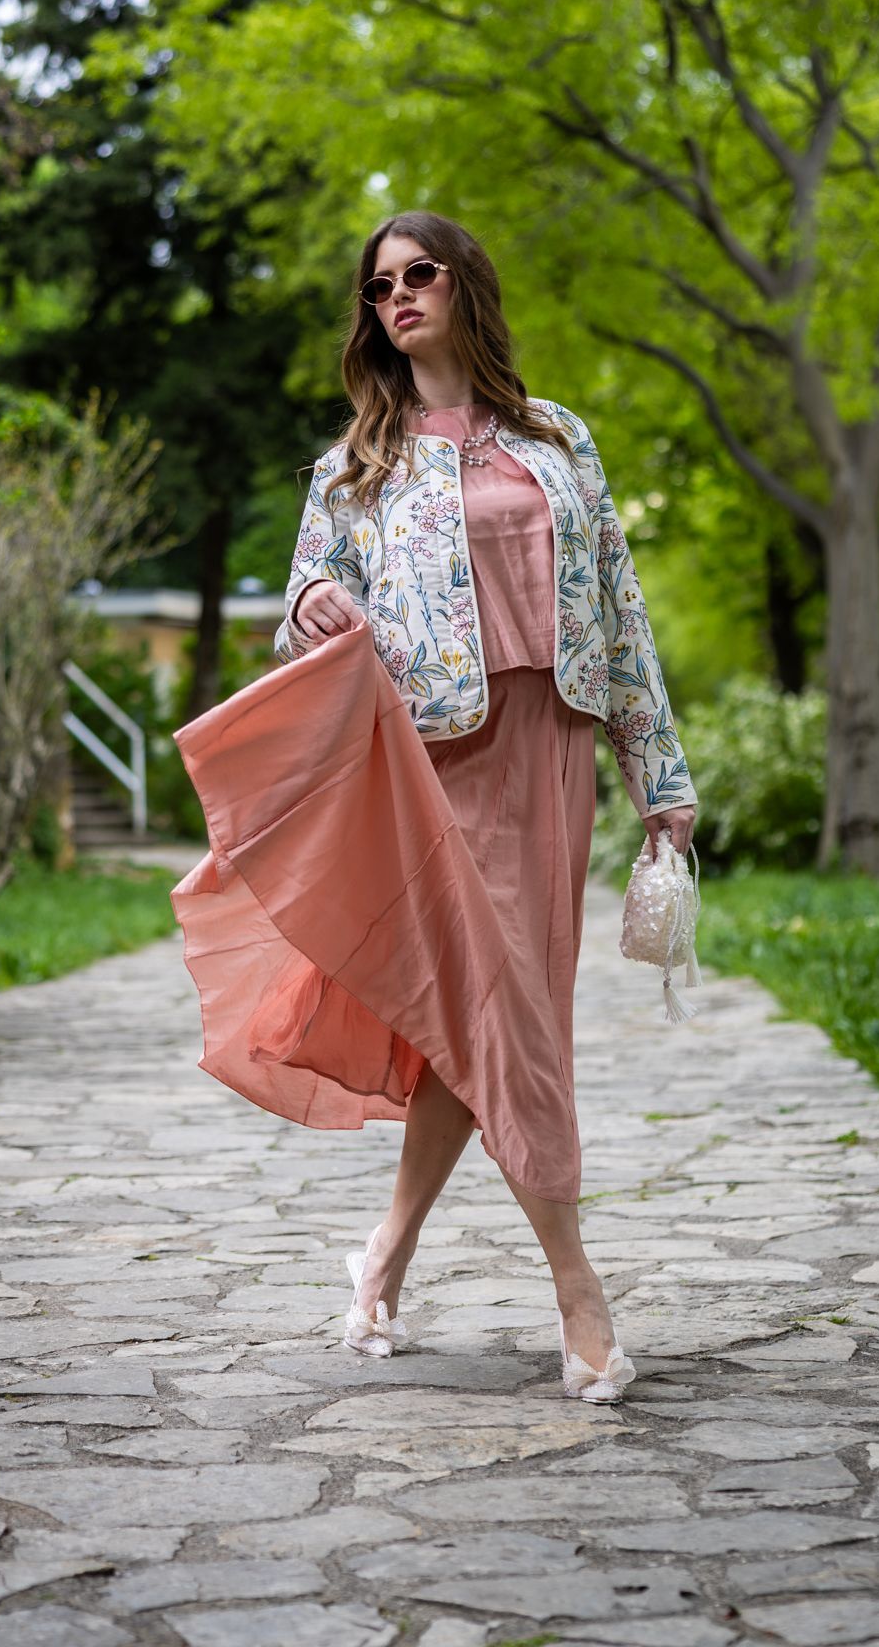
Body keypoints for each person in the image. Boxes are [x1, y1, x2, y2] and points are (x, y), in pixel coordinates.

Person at [262, 209, 697, 1402]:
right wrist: (310, 607)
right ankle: (577, 1287)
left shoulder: (558, 439)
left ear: (464, 286)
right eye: (380, 286)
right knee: (507, 1013)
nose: (398, 295)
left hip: (550, 748)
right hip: (431, 760)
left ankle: (384, 1254)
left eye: (420, 273)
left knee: (490, 1014)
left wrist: (658, 776)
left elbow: (621, 606)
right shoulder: (356, 464)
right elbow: (304, 594)